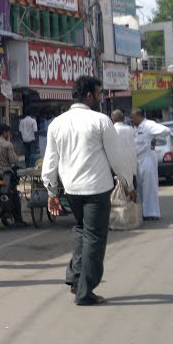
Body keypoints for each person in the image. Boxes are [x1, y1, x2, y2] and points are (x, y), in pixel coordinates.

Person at [41, 76, 136, 306]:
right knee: (94, 237)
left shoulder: (57, 123)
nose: (101, 97)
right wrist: (129, 184)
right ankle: (85, 290)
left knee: (82, 230)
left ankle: (75, 277)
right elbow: (118, 159)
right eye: (99, 93)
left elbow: (50, 161)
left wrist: (51, 192)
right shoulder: (101, 121)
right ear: (89, 96)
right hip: (96, 188)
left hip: (71, 189)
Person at [0, 125, 28, 226]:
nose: (8, 135)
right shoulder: (7, 145)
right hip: (4, 173)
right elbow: (13, 160)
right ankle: (18, 219)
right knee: (14, 193)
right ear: (4, 132)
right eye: (8, 132)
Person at [129, 109, 166, 221]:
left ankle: (152, 213)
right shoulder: (135, 129)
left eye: (132, 117)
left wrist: (154, 138)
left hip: (147, 159)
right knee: (140, 188)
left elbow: (165, 131)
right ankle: (143, 212)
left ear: (139, 116)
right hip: (138, 161)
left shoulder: (149, 125)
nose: (131, 119)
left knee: (149, 187)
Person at [110, 110, 138, 179]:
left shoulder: (110, 130)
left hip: (117, 168)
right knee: (131, 188)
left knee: (118, 188)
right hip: (131, 166)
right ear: (123, 119)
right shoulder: (131, 129)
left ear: (112, 119)